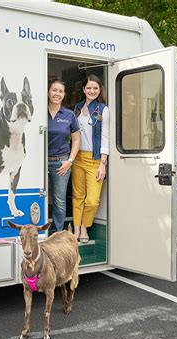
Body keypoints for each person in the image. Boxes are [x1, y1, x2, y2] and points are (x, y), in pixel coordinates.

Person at [72, 75, 109, 242]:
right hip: (77, 157)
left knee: (92, 200)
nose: (92, 91)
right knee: (78, 196)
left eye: (95, 88)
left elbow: (105, 136)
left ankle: (85, 227)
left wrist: (103, 163)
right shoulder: (77, 108)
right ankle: (77, 229)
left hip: (94, 159)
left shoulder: (103, 109)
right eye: (89, 88)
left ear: (100, 89)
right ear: (83, 89)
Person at [47, 78, 80, 234]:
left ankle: (56, 234)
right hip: (41, 161)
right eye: (54, 90)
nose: (57, 94)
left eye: (60, 91)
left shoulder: (69, 114)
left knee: (59, 201)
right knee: (41, 198)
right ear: (48, 92)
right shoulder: (39, 111)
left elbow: (76, 139)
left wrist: (70, 161)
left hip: (61, 162)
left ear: (64, 94)